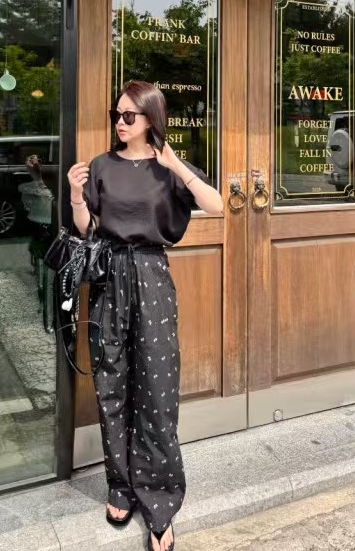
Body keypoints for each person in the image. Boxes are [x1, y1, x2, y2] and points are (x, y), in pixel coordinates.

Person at [67, 80, 223, 551]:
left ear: (150, 118)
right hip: (109, 277)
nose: (120, 122)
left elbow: (217, 205)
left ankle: (160, 502)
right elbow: (87, 228)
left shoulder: (167, 167)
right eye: (116, 115)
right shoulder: (101, 166)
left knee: (157, 388)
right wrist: (76, 196)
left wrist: (176, 165)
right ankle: (120, 485)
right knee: (112, 381)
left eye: (128, 116)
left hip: (152, 276)